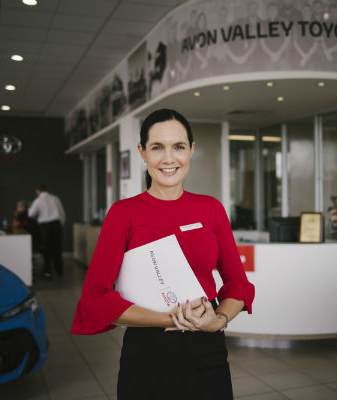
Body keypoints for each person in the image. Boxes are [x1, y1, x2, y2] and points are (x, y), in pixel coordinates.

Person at [71, 109, 255, 399]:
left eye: (178, 147)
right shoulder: (123, 214)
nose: (169, 159)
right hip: (146, 355)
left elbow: (237, 283)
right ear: (142, 153)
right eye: (158, 147)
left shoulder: (211, 209)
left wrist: (218, 321)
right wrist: (174, 320)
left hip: (207, 351)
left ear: (191, 151)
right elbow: (95, 298)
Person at [28, 184, 65, 278]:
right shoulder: (55, 198)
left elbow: (31, 214)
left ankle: (47, 272)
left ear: (38, 191)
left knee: (46, 249)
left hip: (45, 227)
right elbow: (62, 213)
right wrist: (60, 225)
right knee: (57, 248)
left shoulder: (38, 200)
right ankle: (59, 270)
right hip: (56, 225)